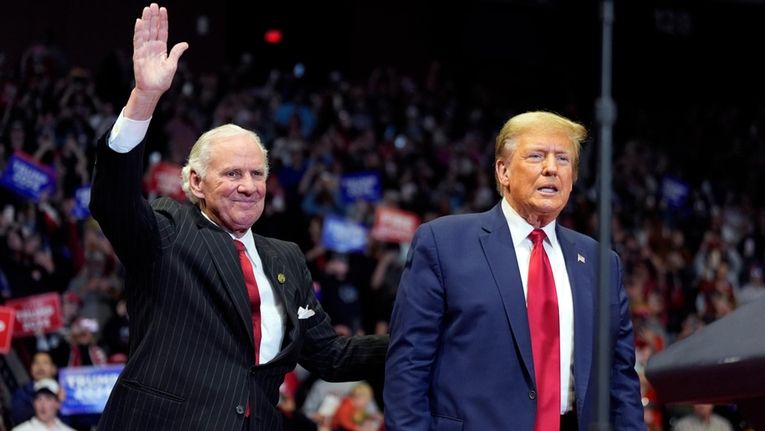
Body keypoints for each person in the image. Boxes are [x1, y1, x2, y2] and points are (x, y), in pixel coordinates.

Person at [88, 4, 388, 431]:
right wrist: (145, 98)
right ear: (195, 182)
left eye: (257, 173)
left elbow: (331, 357)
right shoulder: (168, 230)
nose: (248, 185)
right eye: (231, 174)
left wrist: (417, 340)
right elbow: (112, 202)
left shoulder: (286, 258)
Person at [384, 111, 644, 430]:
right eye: (536, 156)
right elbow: (407, 368)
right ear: (503, 171)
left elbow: (622, 381)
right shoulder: (443, 243)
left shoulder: (601, 261)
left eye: (563, 159)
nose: (551, 168)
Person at [10, 352, 58, 426]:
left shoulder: (65, 391)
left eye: (45, 363)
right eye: (36, 363)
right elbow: (19, 417)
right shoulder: (21, 392)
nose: (40, 367)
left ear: (54, 369)